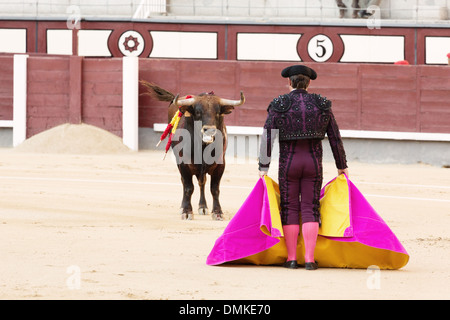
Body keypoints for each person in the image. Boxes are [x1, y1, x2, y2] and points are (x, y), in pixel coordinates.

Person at [258, 65, 349, 270]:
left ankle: (291, 259)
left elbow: (268, 137)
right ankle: (309, 259)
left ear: (289, 82)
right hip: (313, 162)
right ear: (309, 83)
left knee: (289, 207)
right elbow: (335, 137)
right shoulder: (322, 104)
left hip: (288, 163)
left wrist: (263, 166)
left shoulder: (279, 104)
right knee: (310, 208)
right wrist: (341, 165)